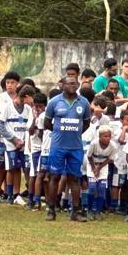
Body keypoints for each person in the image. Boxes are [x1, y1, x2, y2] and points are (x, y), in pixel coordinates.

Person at [44, 76, 91, 221]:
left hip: (75, 147)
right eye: (69, 83)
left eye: (75, 83)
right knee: (54, 177)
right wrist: (60, 132)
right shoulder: (53, 102)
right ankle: (51, 210)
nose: (73, 85)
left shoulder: (84, 102)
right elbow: (47, 122)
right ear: (62, 85)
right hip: (58, 146)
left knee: (74, 178)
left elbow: (86, 123)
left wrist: (75, 133)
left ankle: (75, 211)